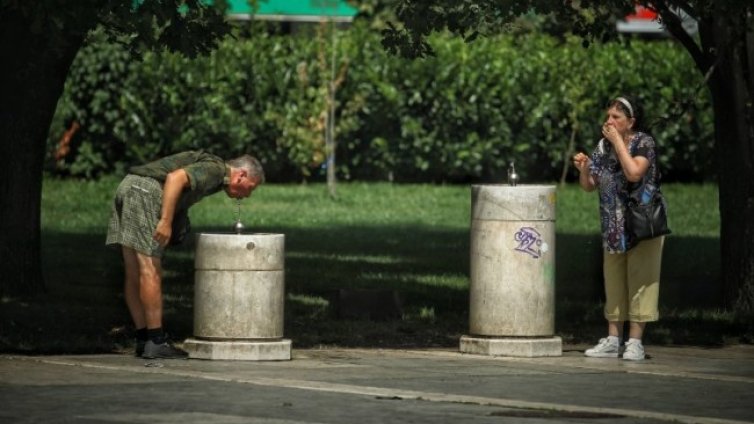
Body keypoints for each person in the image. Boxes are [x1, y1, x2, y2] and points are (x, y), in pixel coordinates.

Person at [106, 150, 265, 359]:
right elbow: (175, 178)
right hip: (145, 192)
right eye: (250, 189)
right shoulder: (217, 170)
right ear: (241, 175)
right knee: (150, 269)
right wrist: (165, 220)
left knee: (134, 271)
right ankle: (156, 340)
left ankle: (144, 338)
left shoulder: (216, 173)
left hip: (129, 186)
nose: (247, 195)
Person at [572, 96, 665, 361]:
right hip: (613, 225)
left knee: (641, 282)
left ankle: (635, 342)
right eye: (609, 116)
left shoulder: (644, 142)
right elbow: (590, 185)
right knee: (613, 282)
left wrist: (618, 143)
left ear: (631, 122)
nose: (609, 121)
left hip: (641, 224)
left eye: (616, 117)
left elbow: (634, 172)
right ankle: (613, 339)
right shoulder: (603, 146)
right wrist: (584, 168)